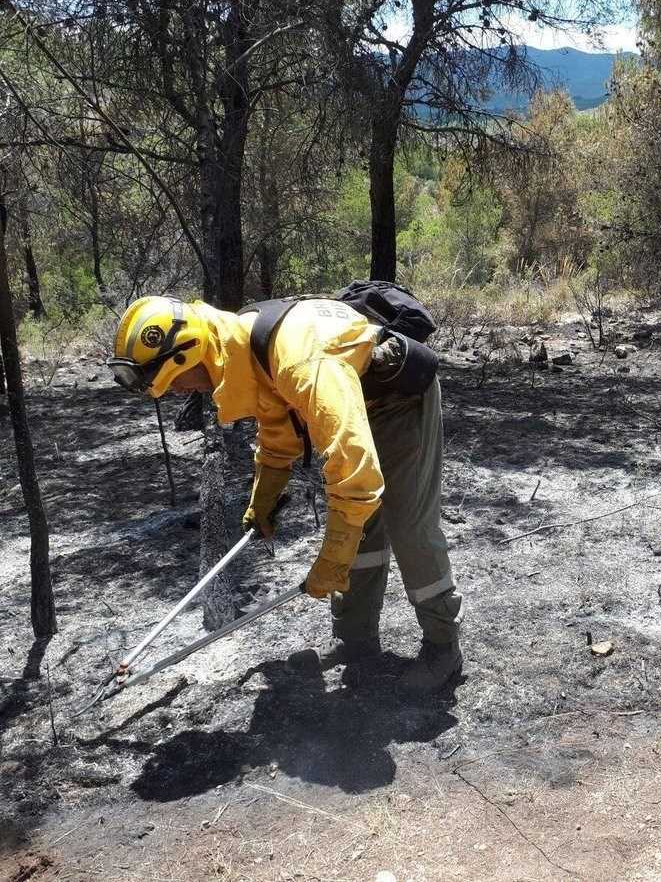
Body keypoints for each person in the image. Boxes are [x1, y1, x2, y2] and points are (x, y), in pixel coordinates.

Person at [106, 294, 463, 690]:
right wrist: (264, 498)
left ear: (191, 355)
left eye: (175, 383)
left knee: (407, 526)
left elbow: (355, 475)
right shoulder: (242, 344)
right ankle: (356, 641)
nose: (177, 393)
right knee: (363, 529)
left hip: (397, 402)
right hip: (354, 403)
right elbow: (278, 424)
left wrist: (332, 558)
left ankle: (442, 649)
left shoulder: (299, 358)